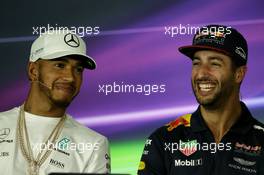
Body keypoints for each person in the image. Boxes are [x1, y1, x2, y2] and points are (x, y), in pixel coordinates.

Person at [137, 25, 264, 174]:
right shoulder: (163, 140)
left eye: (215, 63)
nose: (201, 73)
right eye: (197, 63)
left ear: (239, 74)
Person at [0, 30, 110, 175]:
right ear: (33, 71)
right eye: (60, 65)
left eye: (78, 69)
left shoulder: (94, 144)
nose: (70, 77)